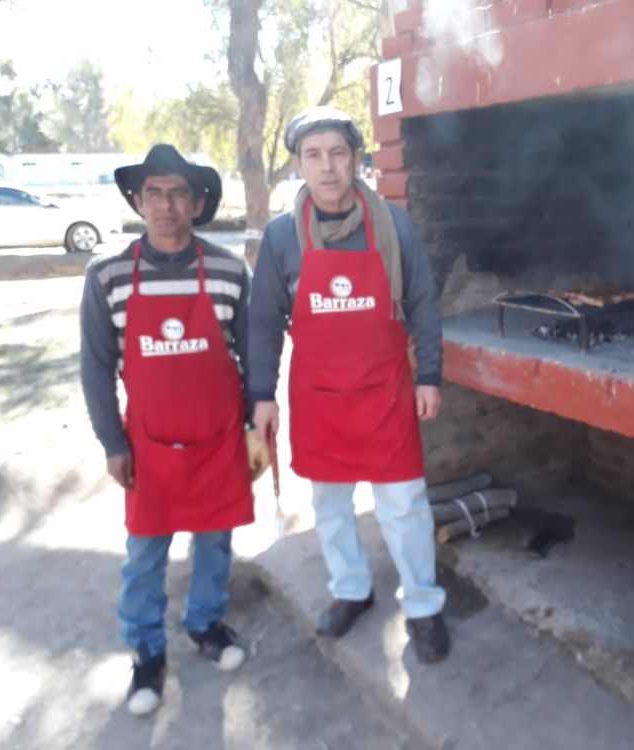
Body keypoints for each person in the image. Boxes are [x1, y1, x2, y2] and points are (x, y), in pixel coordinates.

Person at [248, 106, 450, 663]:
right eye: (314, 155)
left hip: (385, 388)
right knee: (330, 501)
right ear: (299, 165)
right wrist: (261, 394)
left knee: (404, 503)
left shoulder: (393, 225)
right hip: (318, 393)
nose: (328, 166)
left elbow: (422, 304)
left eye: (338, 152)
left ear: (356, 159)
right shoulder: (284, 236)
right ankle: (351, 589)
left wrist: (428, 374)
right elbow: (263, 320)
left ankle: (424, 605)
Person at [80, 145, 255, 716]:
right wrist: (112, 443)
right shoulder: (106, 275)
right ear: (137, 200)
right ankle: (147, 653)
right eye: (153, 192)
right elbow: (96, 366)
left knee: (215, 542)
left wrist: (257, 425)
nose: (165, 204)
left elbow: (253, 355)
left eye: (178, 191)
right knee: (145, 555)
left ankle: (205, 625)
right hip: (148, 446)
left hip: (220, 437)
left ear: (198, 202)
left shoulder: (230, 270)